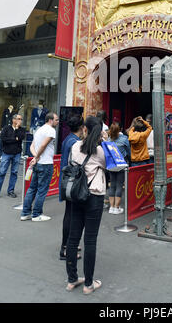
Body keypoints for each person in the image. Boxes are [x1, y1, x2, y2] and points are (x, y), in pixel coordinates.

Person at [65, 116, 106, 295]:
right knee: (90, 240)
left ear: (85, 129)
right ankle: (89, 284)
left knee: (73, 239)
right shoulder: (100, 151)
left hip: (76, 195)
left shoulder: (75, 146)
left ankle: (72, 279)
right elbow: (111, 166)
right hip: (94, 196)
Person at [21, 112, 59, 222]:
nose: (57, 121)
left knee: (32, 188)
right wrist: (37, 157)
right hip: (46, 163)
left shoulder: (39, 129)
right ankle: (36, 214)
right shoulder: (51, 130)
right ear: (50, 120)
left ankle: (25, 213)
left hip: (38, 163)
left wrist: (35, 157)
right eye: (56, 119)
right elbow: (43, 145)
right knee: (42, 190)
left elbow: (32, 146)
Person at [59, 116, 84, 260]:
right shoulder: (75, 142)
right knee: (71, 215)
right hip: (72, 181)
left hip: (66, 179)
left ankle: (69, 244)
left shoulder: (67, 139)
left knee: (70, 213)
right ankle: (65, 248)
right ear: (81, 127)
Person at [0, 114, 25, 199]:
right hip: (6, 153)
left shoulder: (21, 129)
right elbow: (3, 139)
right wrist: (15, 139)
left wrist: (17, 131)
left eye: (21, 119)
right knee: (2, 172)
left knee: (14, 173)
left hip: (17, 154)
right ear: (13, 120)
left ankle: (10, 191)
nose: (20, 121)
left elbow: (21, 137)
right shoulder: (6, 128)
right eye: (19, 119)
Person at [108, 122, 131, 214]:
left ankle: (111, 207)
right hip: (121, 164)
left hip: (111, 165)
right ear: (120, 130)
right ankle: (116, 207)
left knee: (112, 185)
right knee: (119, 185)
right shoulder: (124, 139)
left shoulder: (109, 139)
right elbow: (129, 152)